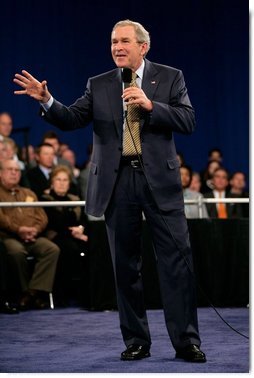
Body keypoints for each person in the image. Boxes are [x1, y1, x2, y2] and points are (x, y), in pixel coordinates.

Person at [13, 19, 206, 362]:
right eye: (113, 42)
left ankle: (186, 342)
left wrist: (150, 106)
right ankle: (136, 341)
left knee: (176, 264)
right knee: (125, 267)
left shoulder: (171, 77)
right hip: (117, 185)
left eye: (124, 41)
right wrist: (46, 100)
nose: (117, 47)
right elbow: (71, 118)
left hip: (159, 182)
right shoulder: (99, 84)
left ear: (143, 47)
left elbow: (188, 120)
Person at [0, 158, 60, 310]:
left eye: (17, 170)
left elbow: (42, 217)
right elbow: (2, 219)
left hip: (33, 236)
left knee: (51, 249)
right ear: (1, 173)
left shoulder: (29, 193)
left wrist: (35, 230)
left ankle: (31, 293)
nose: (14, 173)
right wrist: (18, 230)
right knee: (16, 252)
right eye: (10, 170)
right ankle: (23, 292)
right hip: (8, 237)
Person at [41, 165, 88, 305]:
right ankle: (64, 295)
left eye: (65, 180)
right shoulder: (45, 199)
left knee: (93, 245)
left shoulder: (74, 198)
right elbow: (55, 222)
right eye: (58, 179)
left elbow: (84, 219)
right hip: (55, 237)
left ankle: (89, 295)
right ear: (52, 182)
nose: (62, 183)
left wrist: (80, 228)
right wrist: (74, 232)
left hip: (75, 236)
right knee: (69, 248)